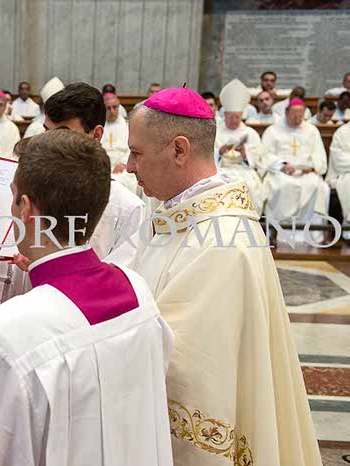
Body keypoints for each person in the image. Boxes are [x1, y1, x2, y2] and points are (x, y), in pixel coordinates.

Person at [0, 130, 174, 466]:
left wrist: (1, 325)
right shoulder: (138, 292)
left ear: (25, 208)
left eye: (13, 196)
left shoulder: (3, 336)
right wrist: (3, 317)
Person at [125, 87, 322, 466]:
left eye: (136, 153)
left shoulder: (222, 241)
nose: (129, 166)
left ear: (179, 150)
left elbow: (187, 367)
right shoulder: (180, 217)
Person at [0, 83, 146, 301]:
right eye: (47, 132)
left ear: (96, 134)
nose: (49, 143)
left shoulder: (127, 208)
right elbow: (8, 274)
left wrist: (45, 268)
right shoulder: (28, 188)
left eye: (62, 133)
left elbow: (116, 290)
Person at [262, 98, 329, 234]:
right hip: (281, 173)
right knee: (281, 185)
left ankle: (311, 233)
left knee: (319, 187)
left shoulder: (311, 130)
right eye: (294, 114)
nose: (297, 118)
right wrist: (282, 165)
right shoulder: (273, 130)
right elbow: (265, 155)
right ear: (286, 112)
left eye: (300, 114)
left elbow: (319, 154)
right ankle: (280, 232)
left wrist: (312, 167)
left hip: (306, 173)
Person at [214, 79, 266, 212]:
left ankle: (247, 220)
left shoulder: (250, 133)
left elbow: (258, 158)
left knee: (250, 186)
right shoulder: (215, 131)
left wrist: (245, 153)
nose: (234, 120)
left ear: (242, 116)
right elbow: (206, 153)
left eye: (237, 117)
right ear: (225, 115)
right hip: (221, 168)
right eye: (231, 117)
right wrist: (219, 152)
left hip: (243, 169)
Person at [101, 93, 135, 191]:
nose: (112, 111)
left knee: (124, 180)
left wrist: (123, 163)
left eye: (115, 107)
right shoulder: (99, 127)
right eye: (108, 108)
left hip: (123, 166)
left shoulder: (127, 126)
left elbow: (133, 148)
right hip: (103, 165)